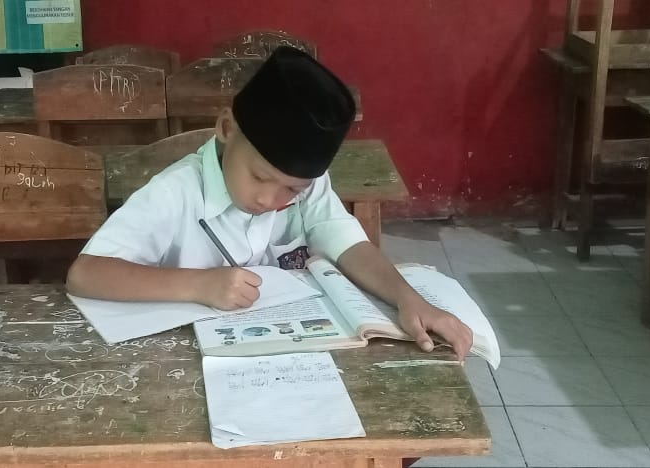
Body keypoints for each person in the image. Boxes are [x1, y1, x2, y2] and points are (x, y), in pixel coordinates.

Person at [66, 46, 472, 360]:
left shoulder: (308, 185)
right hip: (182, 358)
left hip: (282, 352)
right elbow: (85, 274)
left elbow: (349, 244)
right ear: (227, 128)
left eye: (290, 191)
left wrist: (408, 299)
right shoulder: (175, 192)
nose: (268, 199)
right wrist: (198, 284)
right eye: (260, 177)